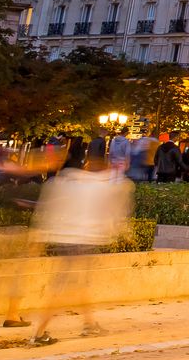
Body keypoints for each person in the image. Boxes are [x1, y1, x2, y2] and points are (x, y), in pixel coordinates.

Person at [29, 144, 134, 344]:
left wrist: (41, 235)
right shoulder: (106, 186)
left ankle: (89, 324)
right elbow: (115, 211)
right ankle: (39, 333)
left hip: (65, 238)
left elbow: (50, 206)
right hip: (84, 240)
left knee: (79, 283)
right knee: (64, 285)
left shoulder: (67, 180)